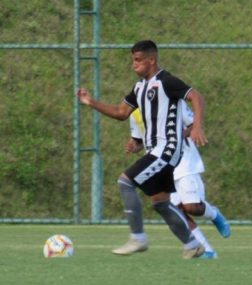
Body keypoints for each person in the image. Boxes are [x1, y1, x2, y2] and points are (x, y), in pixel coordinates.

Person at [76, 40, 207, 259]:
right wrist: (90, 102)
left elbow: (196, 96)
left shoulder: (166, 81)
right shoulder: (139, 87)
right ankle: (192, 244)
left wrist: (198, 127)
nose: (133, 65)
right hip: (154, 150)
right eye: (132, 60)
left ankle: (138, 237)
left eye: (138, 60)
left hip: (166, 150)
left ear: (151, 60)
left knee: (125, 182)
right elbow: (120, 112)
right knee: (161, 203)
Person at [126, 105, 231, 259]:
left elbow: (194, 123)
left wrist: (175, 138)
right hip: (161, 165)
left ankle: (214, 214)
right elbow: (141, 139)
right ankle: (206, 250)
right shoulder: (134, 113)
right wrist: (135, 146)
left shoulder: (172, 99)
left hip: (184, 161)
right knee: (176, 211)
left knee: (192, 207)